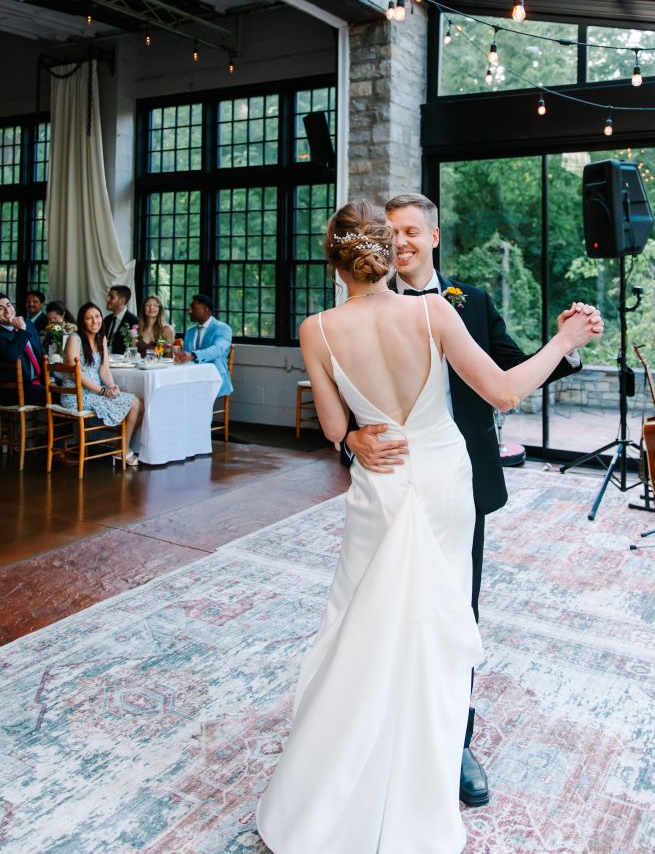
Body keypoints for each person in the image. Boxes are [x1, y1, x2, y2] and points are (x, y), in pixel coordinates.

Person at [256, 202, 600, 854]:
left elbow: (332, 428)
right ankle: (422, 779)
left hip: (380, 486)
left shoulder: (316, 329)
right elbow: (502, 391)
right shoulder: (430, 313)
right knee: (434, 626)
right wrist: (563, 342)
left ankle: (337, 789)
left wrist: (359, 434)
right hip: (442, 479)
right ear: (388, 252)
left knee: (362, 624)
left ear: (334, 260)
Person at [343, 191, 603, 808]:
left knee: (456, 613)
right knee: (382, 611)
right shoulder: (353, 311)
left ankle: (454, 742)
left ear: (434, 238)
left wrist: (568, 342)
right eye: (391, 232)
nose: (401, 241)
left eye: (411, 231)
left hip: (458, 485)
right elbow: (346, 403)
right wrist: (351, 440)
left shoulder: (472, 302)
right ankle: (380, 735)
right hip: (390, 486)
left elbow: (509, 370)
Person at [62, 302, 143, 467]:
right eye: (89, 318)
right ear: (82, 321)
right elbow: (75, 373)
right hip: (76, 394)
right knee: (134, 404)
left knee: (140, 404)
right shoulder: (74, 339)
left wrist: (112, 387)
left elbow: (104, 369)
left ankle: (121, 448)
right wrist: (102, 391)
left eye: (97, 317)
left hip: (96, 392)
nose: (95, 322)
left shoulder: (101, 338)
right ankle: (123, 449)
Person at [173, 294, 232, 396]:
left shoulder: (222, 328)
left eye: (193, 308)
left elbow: (217, 349)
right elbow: (186, 358)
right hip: (191, 379)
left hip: (214, 379)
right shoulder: (190, 331)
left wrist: (192, 355)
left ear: (206, 309)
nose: (189, 311)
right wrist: (181, 357)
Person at [0, 293, 46, 406]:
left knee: (67, 390)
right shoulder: (21, 328)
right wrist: (22, 331)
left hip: (38, 383)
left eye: (9, 305)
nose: (7, 311)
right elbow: (11, 357)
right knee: (62, 396)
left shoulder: (28, 324)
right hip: (13, 390)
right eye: (0, 309)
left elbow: (41, 352)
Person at [103, 285, 138, 356]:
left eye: (111, 297)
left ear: (122, 301)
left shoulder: (134, 321)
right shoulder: (106, 320)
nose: (107, 300)